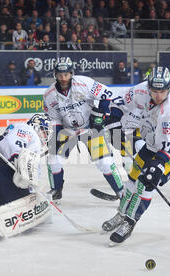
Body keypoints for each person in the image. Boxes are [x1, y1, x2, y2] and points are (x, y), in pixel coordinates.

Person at [101, 66, 170, 244]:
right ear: (148, 87)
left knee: (147, 185)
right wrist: (114, 118)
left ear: (169, 88)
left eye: (162, 91)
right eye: (154, 91)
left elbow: (167, 150)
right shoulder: (140, 90)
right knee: (132, 180)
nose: (158, 95)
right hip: (153, 143)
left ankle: (130, 222)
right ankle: (121, 214)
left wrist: (157, 167)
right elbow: (119, 101)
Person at [43, 58, 125, 202]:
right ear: (55, 75)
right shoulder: (49, 95)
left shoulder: (84, 83)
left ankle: (121, 192)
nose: (63, 78)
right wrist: (56, 134)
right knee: (53, 160)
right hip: (67, 131)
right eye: (60, 75)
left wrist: (100, 116)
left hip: (90, 129)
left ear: (71, 73)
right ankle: (56, 190)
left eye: (66, 74)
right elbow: (54, 118)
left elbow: (107, 95)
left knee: (105, 163)